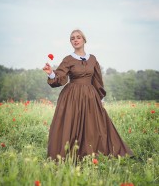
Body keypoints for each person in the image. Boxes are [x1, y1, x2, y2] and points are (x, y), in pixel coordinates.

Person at [43, 29, 133, 160]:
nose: (75, 40)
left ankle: (92, 154)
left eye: (78, 37)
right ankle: (69, 155)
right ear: (71, 42)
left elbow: (97, 79)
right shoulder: (68, 60)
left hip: (90, 97)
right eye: (72, 38)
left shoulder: (93, 59)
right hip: (72, 97)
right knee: (71, 125)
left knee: (93, 127)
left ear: (84, 40)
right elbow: (61, 77)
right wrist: (51, 72)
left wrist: (99, 98)